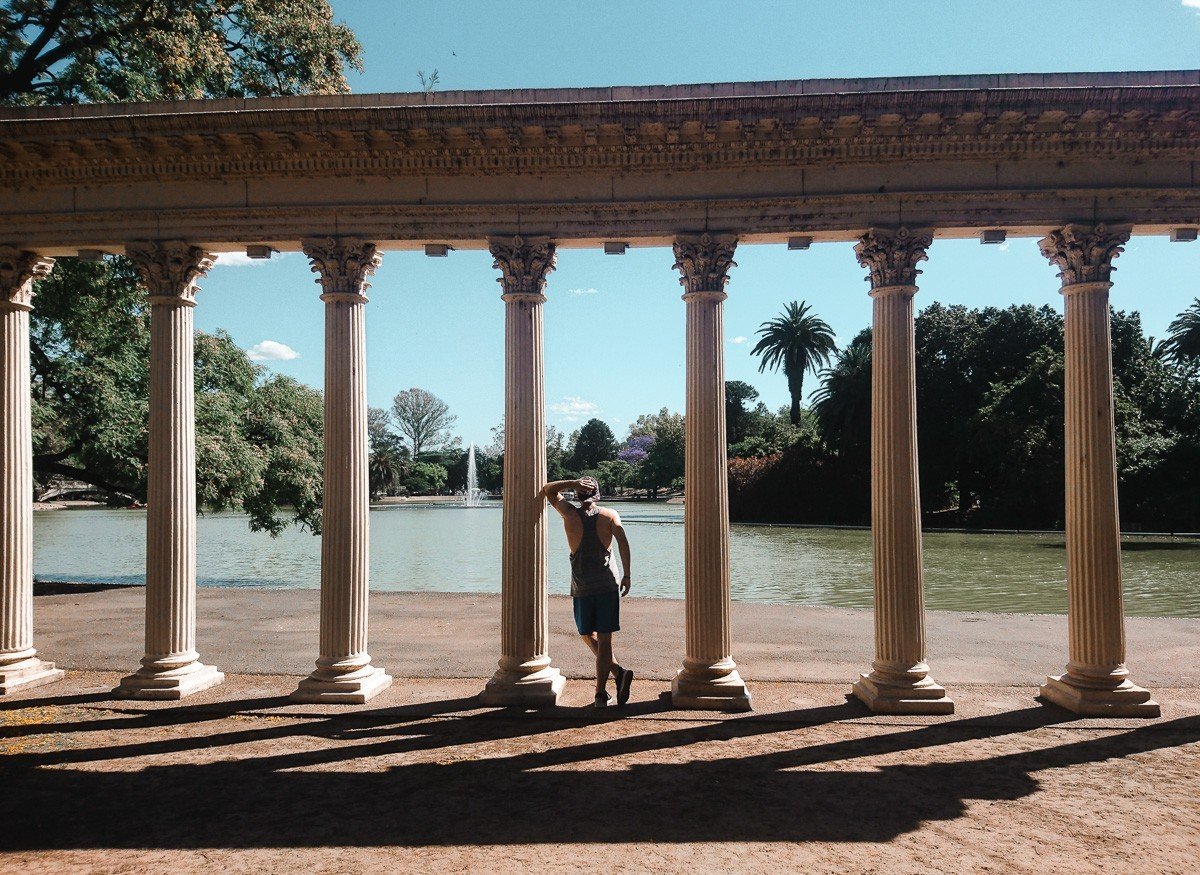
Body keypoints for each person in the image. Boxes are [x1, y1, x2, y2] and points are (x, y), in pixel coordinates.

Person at [542, 475, 633, 708]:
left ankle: (603, 691)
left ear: (577, 494)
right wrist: (627, 575)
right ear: (597, 494)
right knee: (604, 639)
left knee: (587, 634)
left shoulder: (569, 514)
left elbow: (548, 490)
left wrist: (572, 483)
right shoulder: (609, 515)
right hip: (607, 584)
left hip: (582, 585)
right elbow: (623, 542)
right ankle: (615, 676)